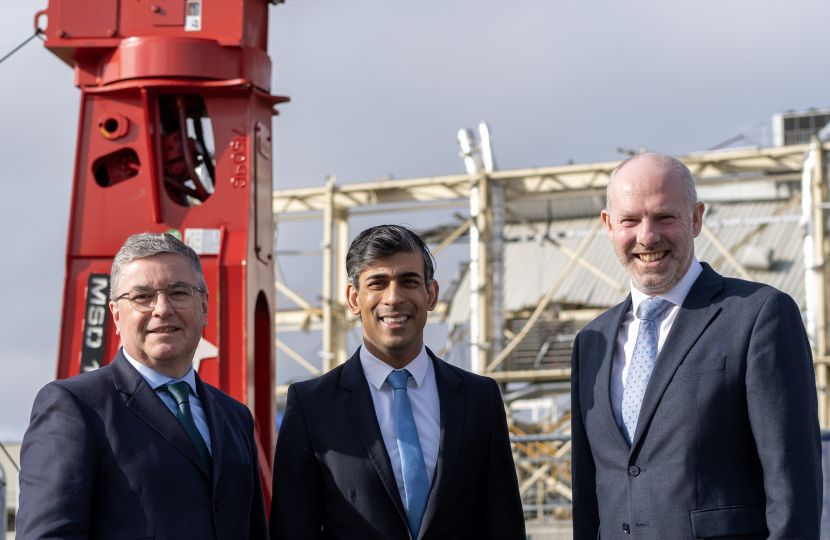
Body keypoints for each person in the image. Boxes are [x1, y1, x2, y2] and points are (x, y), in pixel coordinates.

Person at [570, 153, 822, 539]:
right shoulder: (592, 342)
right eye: (630, 220)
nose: (647, 236)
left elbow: (793, 486)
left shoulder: (759, 317)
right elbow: (589, 495)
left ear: (696, 218)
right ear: (608, 225)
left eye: (664, 217)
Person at [270, 225, 525, 540]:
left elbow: (504, 524)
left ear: (430, 294)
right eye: (377, 283)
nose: (393, 298)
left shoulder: (479, 398)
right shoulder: (312, 407)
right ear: (353, 299)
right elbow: (293, 530)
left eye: (409, 281)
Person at [17, 233, 268, 540]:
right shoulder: (74, 407)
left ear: (203, 306)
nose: (162, 309)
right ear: (116, 316)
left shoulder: (236, 416)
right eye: (142, 297)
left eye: (178, 292)